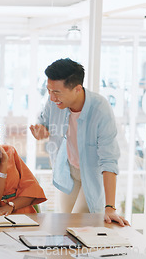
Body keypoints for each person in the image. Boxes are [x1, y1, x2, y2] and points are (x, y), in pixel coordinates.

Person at [29, 58, 129, 226]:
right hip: (68, 171)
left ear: (77, 89)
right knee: (62, 225)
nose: (52, 97)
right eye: (49, 90)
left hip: (92, 174)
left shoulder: (100, 110)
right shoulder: (54, 102)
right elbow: (44, 122)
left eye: (57, 92)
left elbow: (108, 160)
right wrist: (41, 131)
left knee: (78, 225)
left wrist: (110, 207)